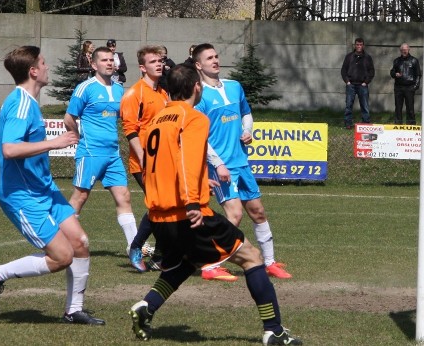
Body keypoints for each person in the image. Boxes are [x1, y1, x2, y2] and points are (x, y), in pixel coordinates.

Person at [128, 64, 302, 345]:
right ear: (196, 87)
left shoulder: (156, 121)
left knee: (185, 264)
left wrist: (198, 183)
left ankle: (147, 305)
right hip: (188, 213)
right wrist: (193, 200)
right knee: (252, 258)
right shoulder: (194, 118)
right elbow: (187, 161)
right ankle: (274, 331)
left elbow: (158, 167)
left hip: (160, 215)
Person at [0, 45, 104, 325]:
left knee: (81, 243)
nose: (48, 67)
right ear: (33, 71)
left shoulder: (29, 102)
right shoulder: (21, 104)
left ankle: (74, 310)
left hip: (44, 190)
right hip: (21, 196)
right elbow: (9, 149)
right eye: (44, 63)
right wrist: (54, 143)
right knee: (62, 257)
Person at [192, 43, 292, 281]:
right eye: (209, 58)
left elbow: (246, 113)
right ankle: (210, 266)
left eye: (216, 56)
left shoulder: (234, 86)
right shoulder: (200, 96)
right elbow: (200, 137)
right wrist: (217, 164)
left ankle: (269, 262)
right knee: (234, 215)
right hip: (221, 166)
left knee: (258, 212)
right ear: (199, 65)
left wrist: (247, 130)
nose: (215, 60)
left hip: (241, 162)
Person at [64, 46, 139, 269]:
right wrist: (77, 137)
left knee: (124, 197)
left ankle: (134, 247)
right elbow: (70, 117)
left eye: (111, 60)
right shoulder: (84, 88)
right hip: (91, 152)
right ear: (94, 65)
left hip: (113, 154)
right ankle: (62, 241)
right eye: (104, 60)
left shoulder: (119, 89)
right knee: (80, 198)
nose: (109, 63)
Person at [121, 46, 170, 272]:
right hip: (144, 163)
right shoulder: (134, 93)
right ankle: (137, 247)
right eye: (153, 62)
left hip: (164, 161)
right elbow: (130, 130)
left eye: (160, 61)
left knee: (166, 206)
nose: (158, 64)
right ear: (142, 67)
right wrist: (143, 158)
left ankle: (159, 256)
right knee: (158, 205)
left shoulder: (163, 92)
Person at [340, 37, 375, 129]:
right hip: (351, 85)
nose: (359, 46)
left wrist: (366, 82)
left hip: (362, 85)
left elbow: (372, 71)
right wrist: (347, 81)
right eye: (357, 45)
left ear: (363, 46)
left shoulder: (367, 57)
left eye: (360, 45)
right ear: (355, 45)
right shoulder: (349, 56)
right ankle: (348, 123)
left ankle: (366, 123)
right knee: (348, 105)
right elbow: (343, 70)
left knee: (364, 105)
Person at [389, 42, 421, 125]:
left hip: (410, 87)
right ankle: (398, 124)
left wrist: (415, 86)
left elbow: (418, 74)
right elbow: (392, 72)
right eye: (403, 49)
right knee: (398, 107)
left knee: (410, 108)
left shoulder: (414, 60)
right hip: (398, 87)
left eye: (406, 49)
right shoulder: (396, 61)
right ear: (400, 50)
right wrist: (395, 74)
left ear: (409, 49)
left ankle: (411, 125)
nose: (404, 51)